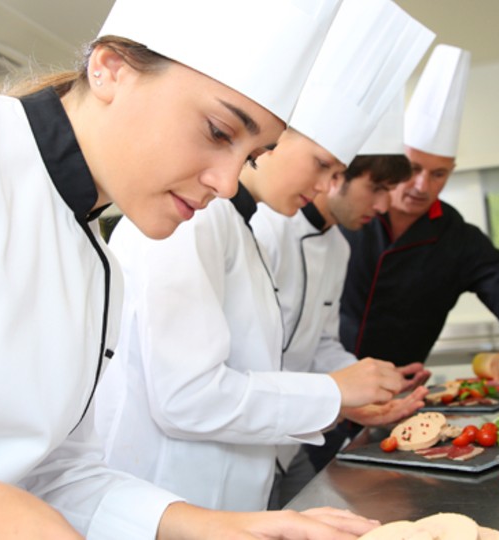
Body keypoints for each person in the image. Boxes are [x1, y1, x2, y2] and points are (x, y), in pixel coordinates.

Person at [0, 1, 388, 538]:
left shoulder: (98, 267)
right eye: (217, 131)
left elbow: (51, 473)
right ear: (110, 69)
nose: (227, 183)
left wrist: (218, 526)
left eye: (250, 156)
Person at [98, 0, 434, 514]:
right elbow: (187, 398)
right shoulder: (192, 221)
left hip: (231, 498)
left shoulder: (236, 225)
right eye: (322, 165)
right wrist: (334, 394)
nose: (327, 186)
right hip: (171, 496)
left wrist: (353, 389)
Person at [339, 44, 499, 381]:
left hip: (396, 396)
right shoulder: (350, 213)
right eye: (413, 168)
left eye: (438, 174)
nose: (421, 186)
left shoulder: (458, 239)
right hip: (322, 387)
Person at [250, 94, 432, 508]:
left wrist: (370, 381)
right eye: (377, 189)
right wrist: (338, 394)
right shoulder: (265, 228)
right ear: (337, 176)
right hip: (251, 434)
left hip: (287, 444)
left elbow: (320, 345)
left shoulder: (338, 248)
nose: (384, 206)